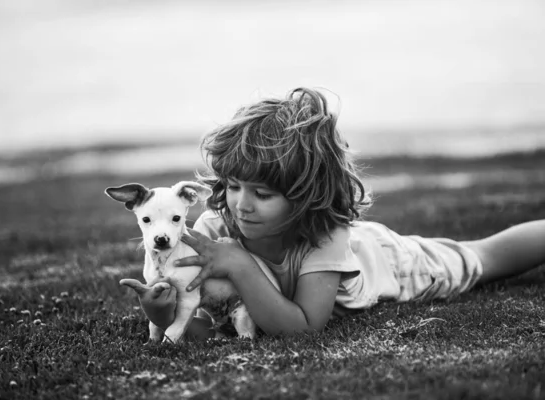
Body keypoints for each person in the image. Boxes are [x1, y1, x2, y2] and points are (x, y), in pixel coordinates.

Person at [131, 87, 545, 339]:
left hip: (386, 260)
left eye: (263, 194)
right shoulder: (214, 227)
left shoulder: (322, 237)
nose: (242, 204)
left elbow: (304, 326)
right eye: (235, 186)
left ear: (305, 196)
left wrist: (240, 265)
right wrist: (161, 309)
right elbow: (199, 310)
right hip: (355, 246)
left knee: (481, 257)